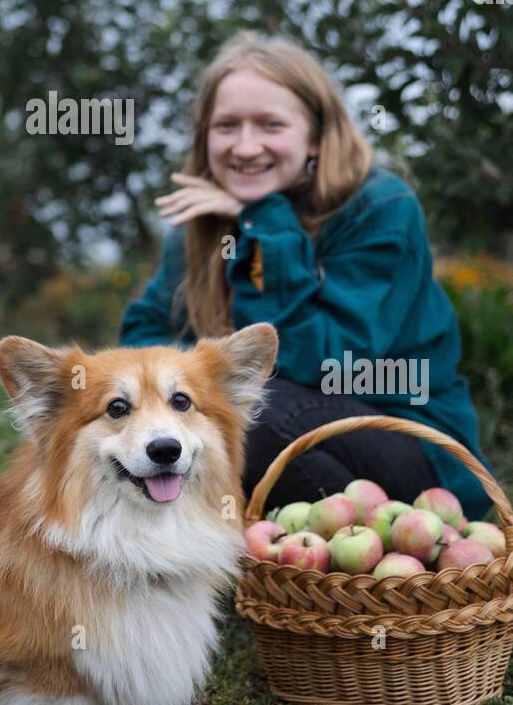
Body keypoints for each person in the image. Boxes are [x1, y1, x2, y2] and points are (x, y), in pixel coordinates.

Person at [117, 30, 496, 523]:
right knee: (176, 422)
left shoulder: (380, 207)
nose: (246, 146)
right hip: (290, 434)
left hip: (406, 442)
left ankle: (391, 544)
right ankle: (267, 553)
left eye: (270, 124)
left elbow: (324, 360)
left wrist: (264, 225)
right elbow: (142, 337)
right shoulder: (200, 227)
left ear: (315, 135)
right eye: (227, 126)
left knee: (256, 410)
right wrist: (190, 387)